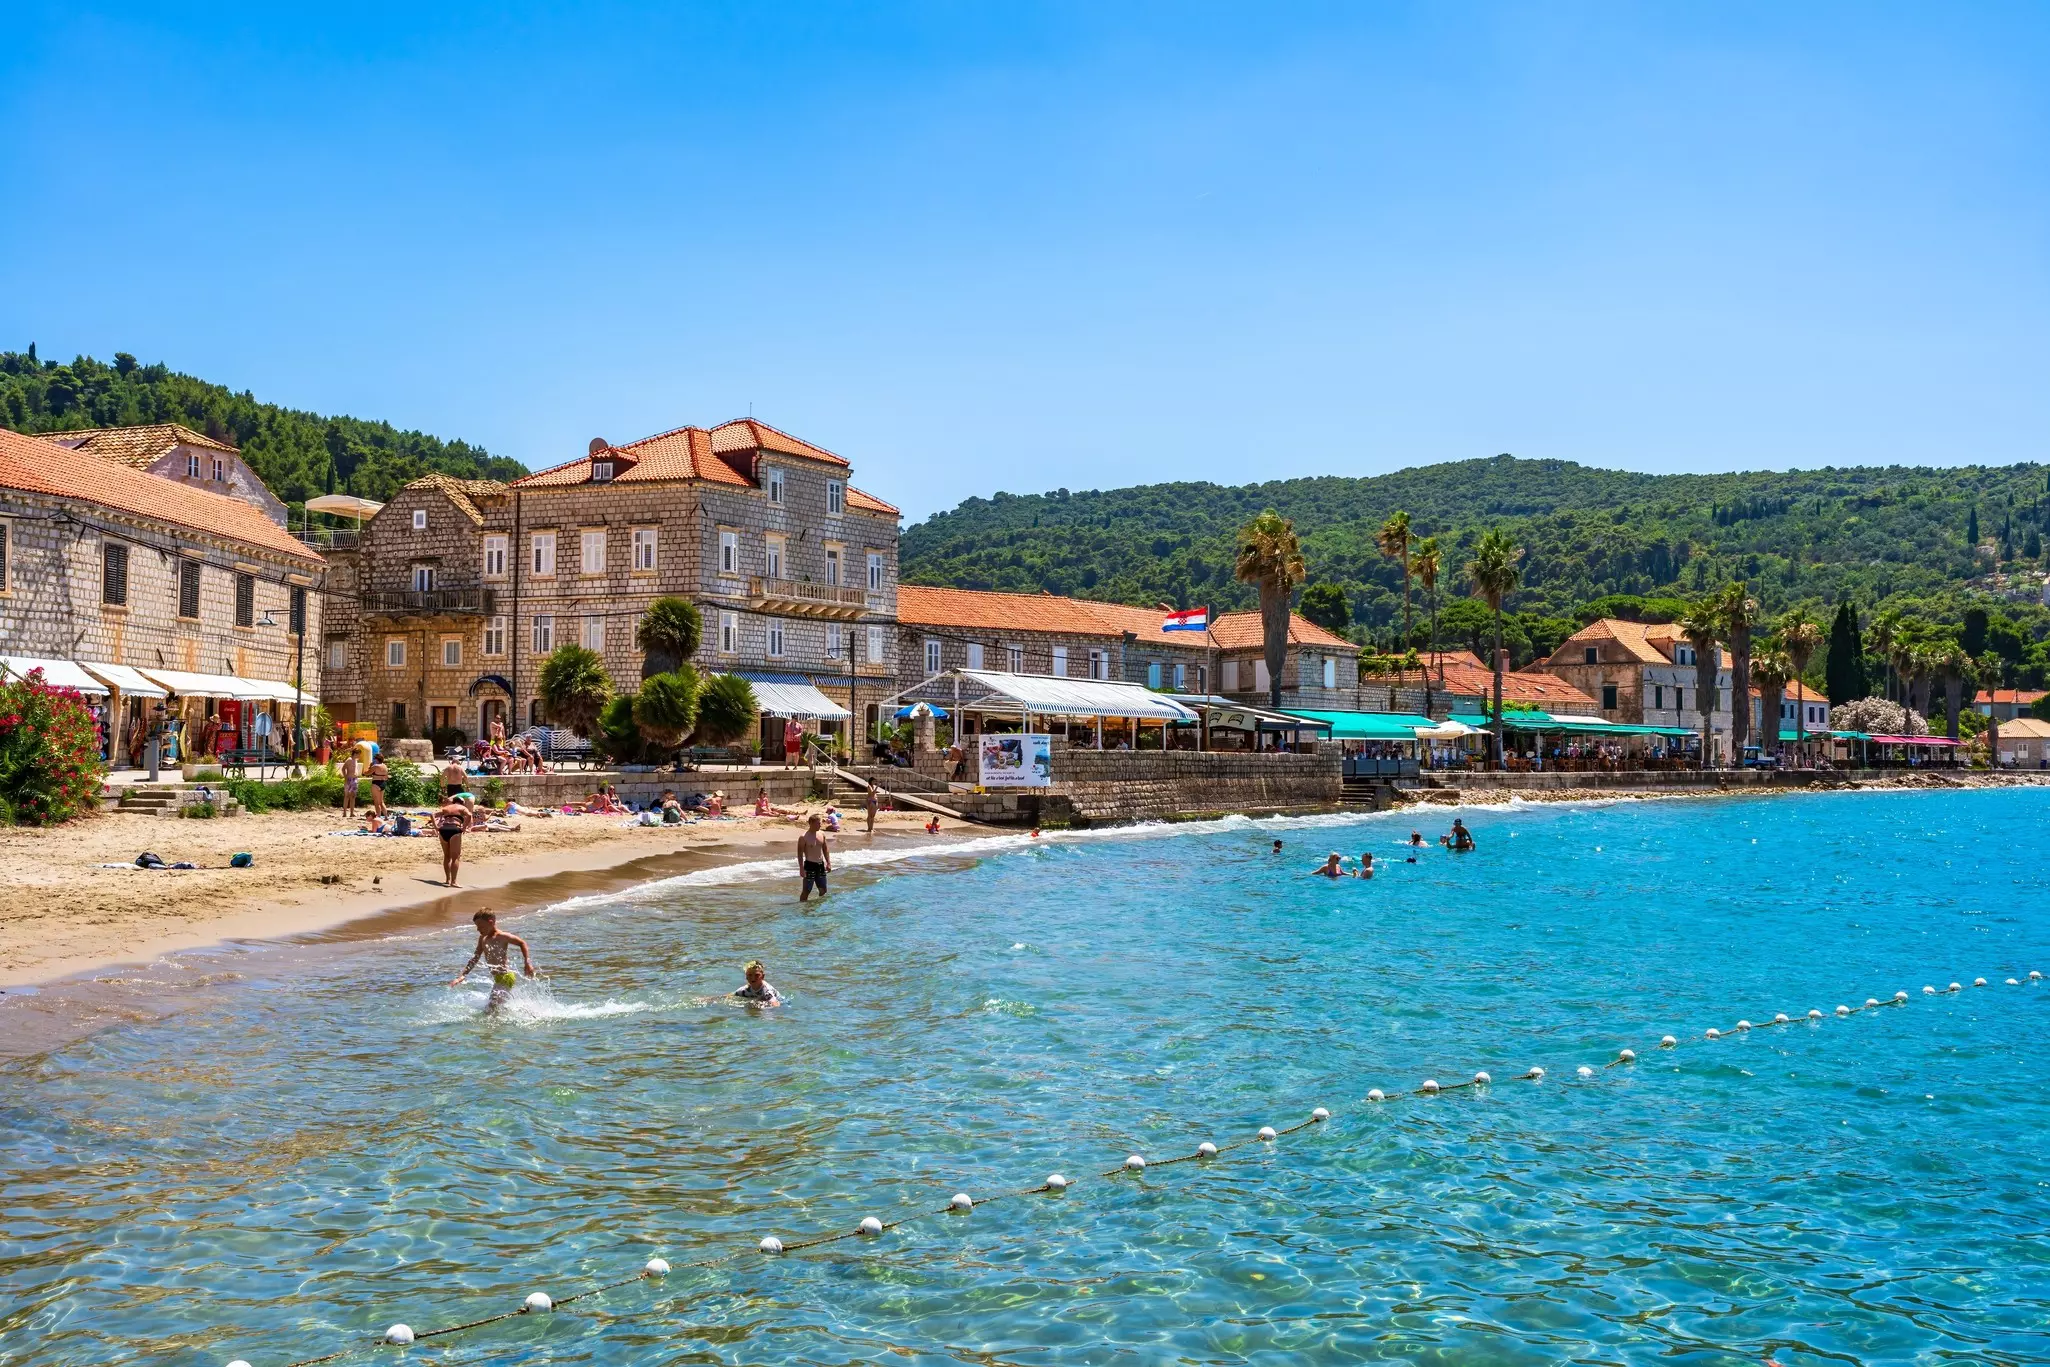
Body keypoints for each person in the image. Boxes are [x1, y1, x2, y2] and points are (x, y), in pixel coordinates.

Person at [450, 909, 536, 1009]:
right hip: (498, 979)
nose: (478, 929)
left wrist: (527, 963)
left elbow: (522, 943)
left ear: (490, 922)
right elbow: (475, 957)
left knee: (491, 1009)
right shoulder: (483, 938)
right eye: (477, 927)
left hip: (506, 977)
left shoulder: (502, 936)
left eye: (480, 926)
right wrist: (462, 976)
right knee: (495, 1008)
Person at [434, 792, 472, 886]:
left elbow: (432, 814)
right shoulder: (462, 808)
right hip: (454, 829)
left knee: (447, 856)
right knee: (456, 857)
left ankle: (447, 880)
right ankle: (453, 882)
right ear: (461, 803)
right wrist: (464, 827)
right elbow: (469, 815)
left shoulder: (446, 807)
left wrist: (436, 827)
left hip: (443, 830)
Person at [797, 815, 832, 901]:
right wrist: (801, 868)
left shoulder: (821, 834)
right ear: (811, 823)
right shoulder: (803, 837)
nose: (820, 825)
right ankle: (803, 909)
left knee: (823, 890)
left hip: (820, 865)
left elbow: (825, 849)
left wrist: (828, 862)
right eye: (818, 823)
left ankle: (818, 908)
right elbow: (800, 854)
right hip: (809, 865)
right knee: (806, 891)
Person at [368, 754, 390, 818]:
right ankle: (386, 816)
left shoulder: (375, 766)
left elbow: (367, 773)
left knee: (376, 801)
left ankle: (378, 816)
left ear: (377, 759)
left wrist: (370, 766)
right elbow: (387, 776)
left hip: (376, 783)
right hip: (383, 783)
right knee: (381, 801)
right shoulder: (385, 766)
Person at [341, 750, 361, 819]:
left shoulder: (355, 760)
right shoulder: (349, 760)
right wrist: (346, 777)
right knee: (347, 796)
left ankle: (352, 813)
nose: (359, 755)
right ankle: (344, 813)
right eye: (358, 754)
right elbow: (343, 769)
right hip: (349, 779)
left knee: (353, 796)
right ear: (355, 753)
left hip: (355, 779)